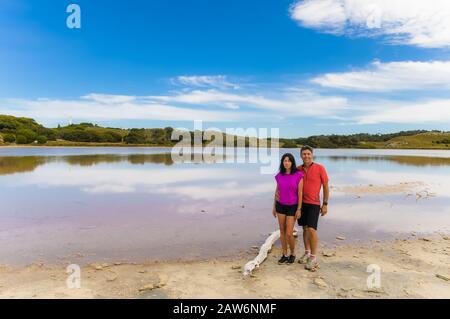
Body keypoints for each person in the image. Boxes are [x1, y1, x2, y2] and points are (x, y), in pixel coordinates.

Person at [272, 153, 304, 264]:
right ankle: (284, 254)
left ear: (292, 162)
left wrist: (299, 209)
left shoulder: (298, 175)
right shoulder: (279, 175)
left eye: (289, 161)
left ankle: (293, 253)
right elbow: (277, 192)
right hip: (280, 205)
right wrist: (273, 206)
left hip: (293, 206)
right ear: (282, 163)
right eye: (284, 161)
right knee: (282, 231)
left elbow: (300, 194)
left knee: (289, 233)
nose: (286, 163)